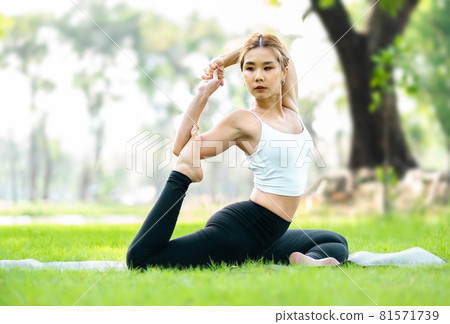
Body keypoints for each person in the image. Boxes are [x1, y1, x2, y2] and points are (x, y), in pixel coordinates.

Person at [126, 33, 348, 270]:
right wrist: (202, 94)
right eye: (249, 68)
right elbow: (182, 147)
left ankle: (307, 262)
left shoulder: (290, 106)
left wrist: (224, 60)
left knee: (335, 242)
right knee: (141, 259)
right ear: (243, 76)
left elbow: (280, 48)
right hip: (243, 230)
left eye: (267, 67)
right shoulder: (244, 121)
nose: (259, 76)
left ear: (283, 72)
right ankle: (183, 175)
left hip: (271, 232)